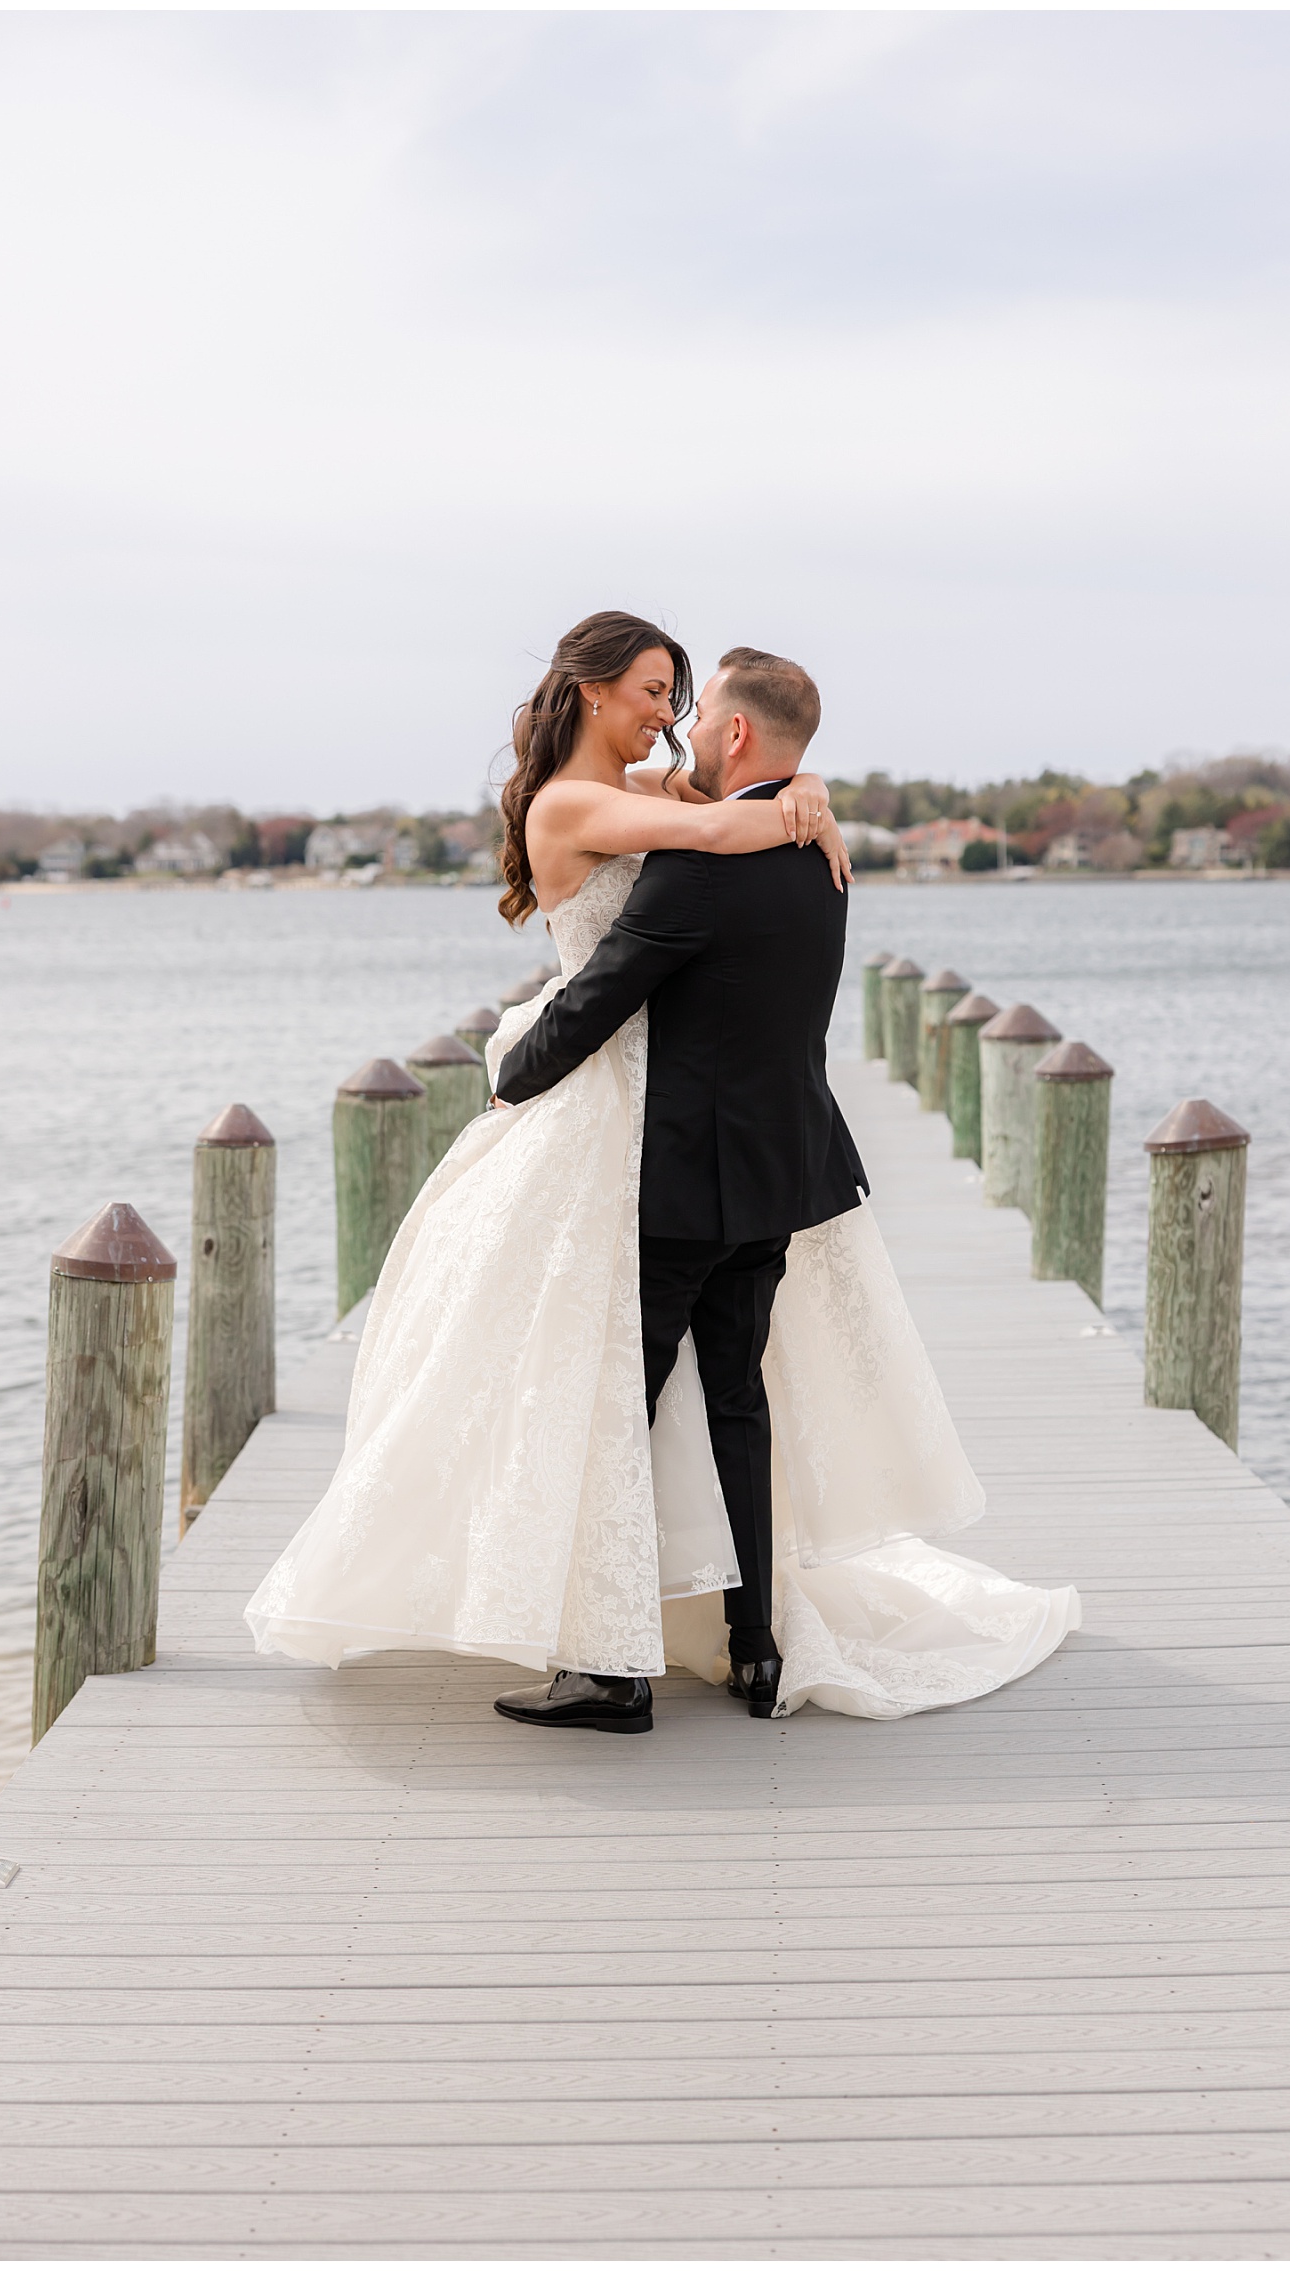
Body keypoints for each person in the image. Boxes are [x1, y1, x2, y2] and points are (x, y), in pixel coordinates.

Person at [245, 611, 1079, 1726]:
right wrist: (804, 796)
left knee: (611, 1396)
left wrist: (509, 1082)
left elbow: (635, 947)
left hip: (664, 1139)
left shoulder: (683, 828)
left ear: (728, 730)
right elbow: (720, 831)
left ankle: (612, 1658)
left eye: (681, 698)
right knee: (711, 1391)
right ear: (589, 689)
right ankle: (747, 1646)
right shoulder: (618, 816)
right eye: (650, 690)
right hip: (712, 1139)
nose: (667, 716)